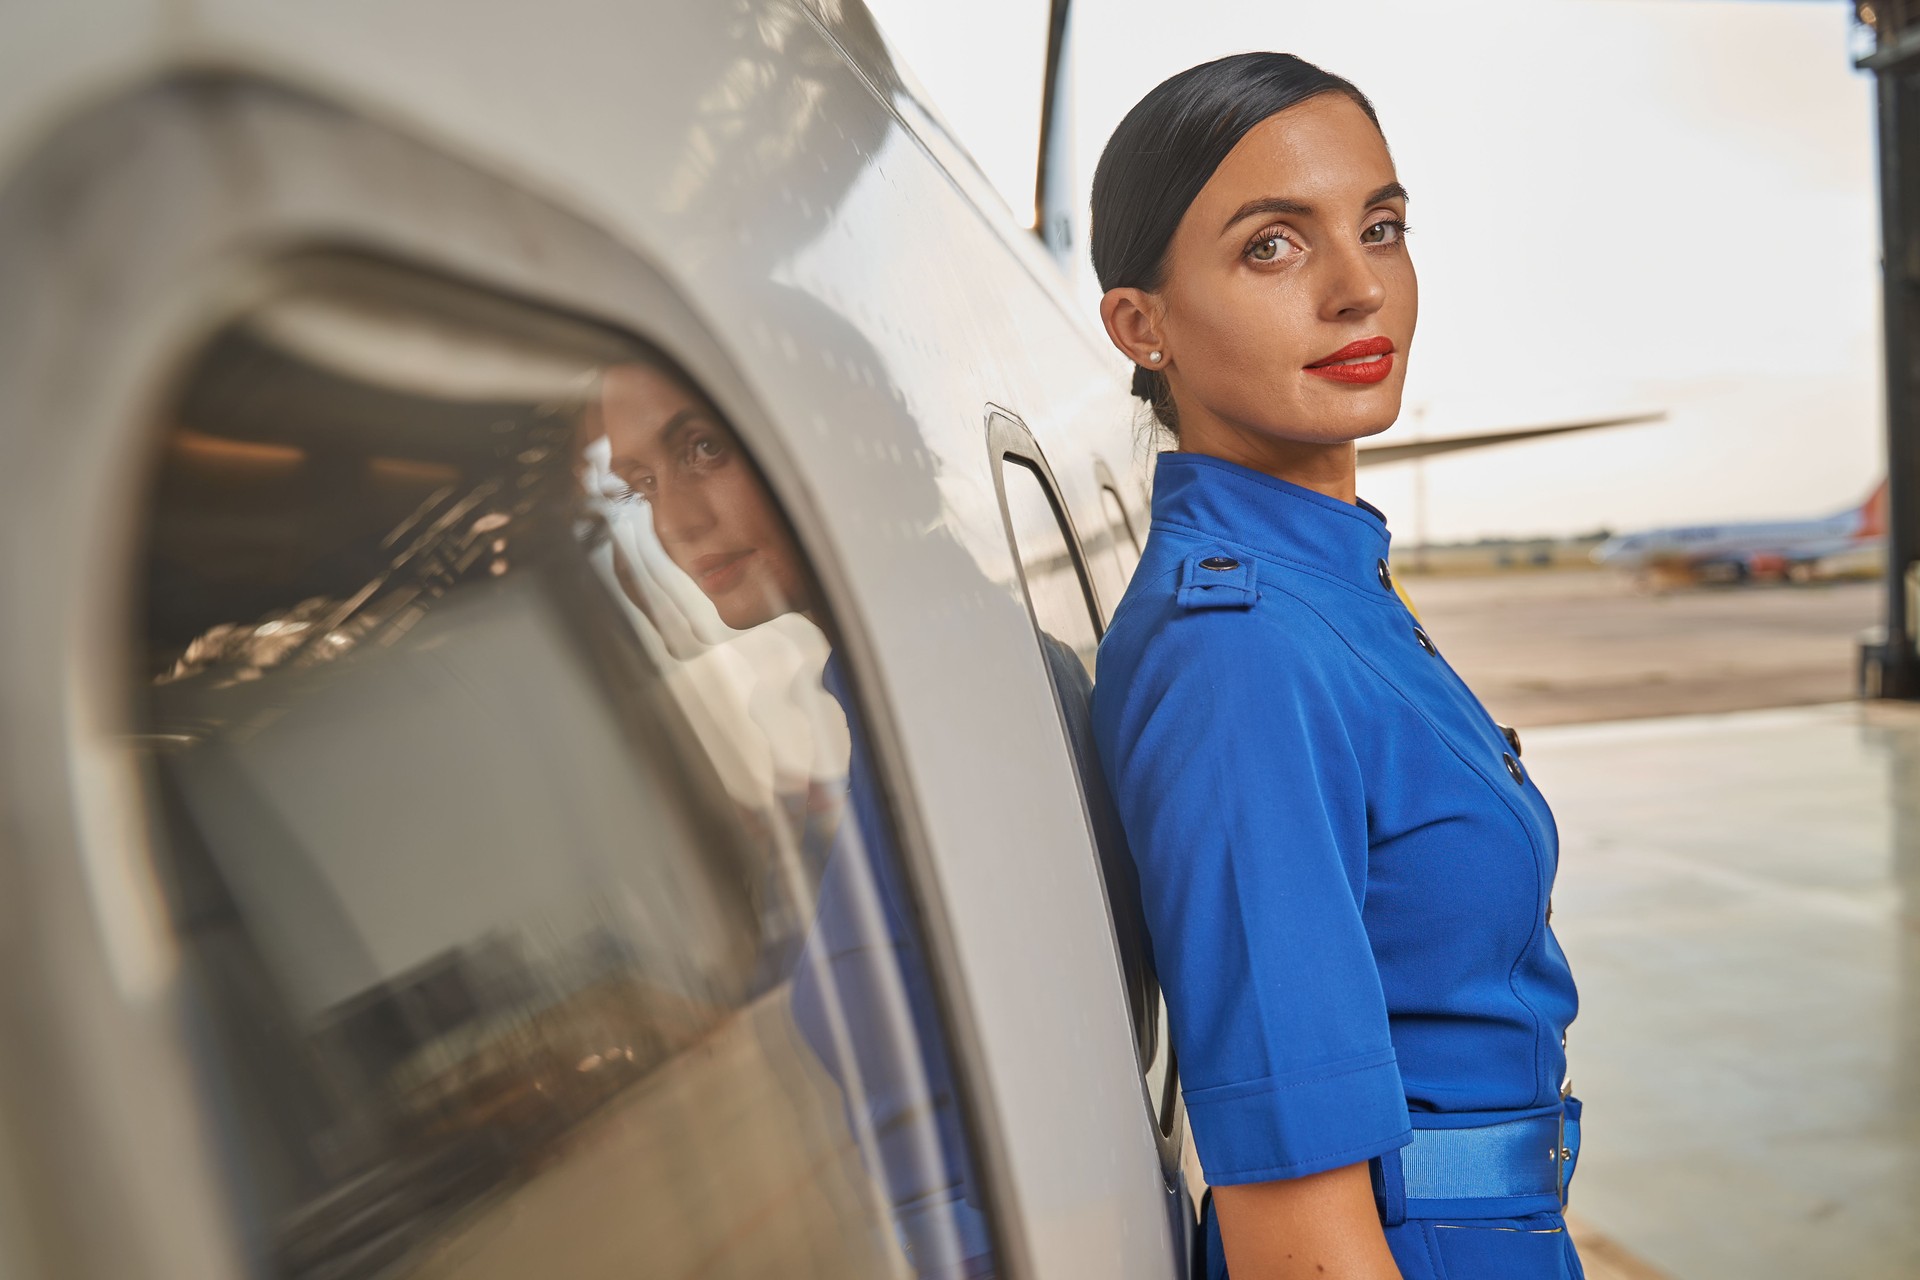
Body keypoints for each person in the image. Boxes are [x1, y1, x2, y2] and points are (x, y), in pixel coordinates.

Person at [1086, 55, 1582, 1280]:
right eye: (1271, 246)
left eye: (1382, 226)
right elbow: (1297, 1234)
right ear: (1141, 323)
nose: (1361, 288)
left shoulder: (1328, 586)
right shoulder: (1238, 648)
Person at [592, 362, 995, 1279]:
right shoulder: (900, 698)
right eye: (643, 484)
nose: (677, 524)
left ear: (831, 432)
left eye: (705, 448)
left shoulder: (952, 716)